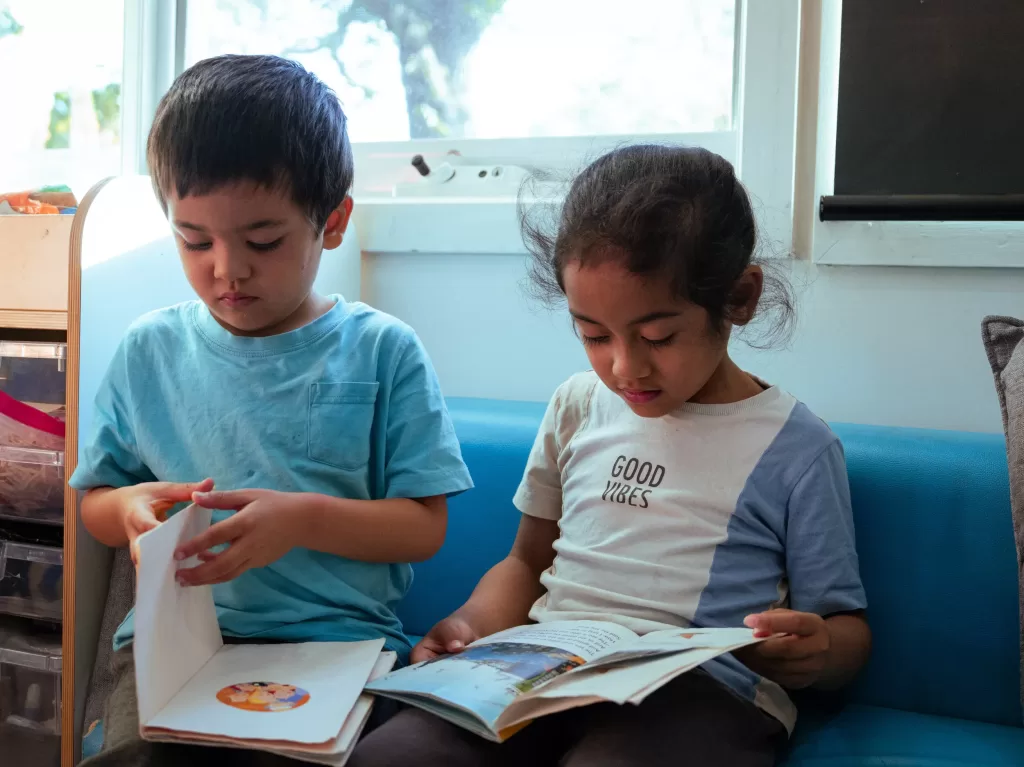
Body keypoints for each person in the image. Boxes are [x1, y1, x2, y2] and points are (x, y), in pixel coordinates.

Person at [351, 145, 871, 767]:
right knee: (395, 755)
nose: (625, 367)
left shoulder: (797, 448)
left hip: (703, 694)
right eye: (594, 335)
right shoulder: (577, 405)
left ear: (739, 297)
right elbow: (526, 561)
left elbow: (845, 629)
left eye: (657, 336)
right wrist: (470, 624)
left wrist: (818, 652)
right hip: (543, 670)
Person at [72, 54, 472, 767]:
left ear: (334, 220)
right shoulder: (149, 349)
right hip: (175, 647)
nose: (227, 268)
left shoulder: (383, 349)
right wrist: (128, 508)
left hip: (336, 649)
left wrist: (302, 518)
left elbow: (424, 526)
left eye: (263, 241)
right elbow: (97, 499)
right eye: (194, 240)